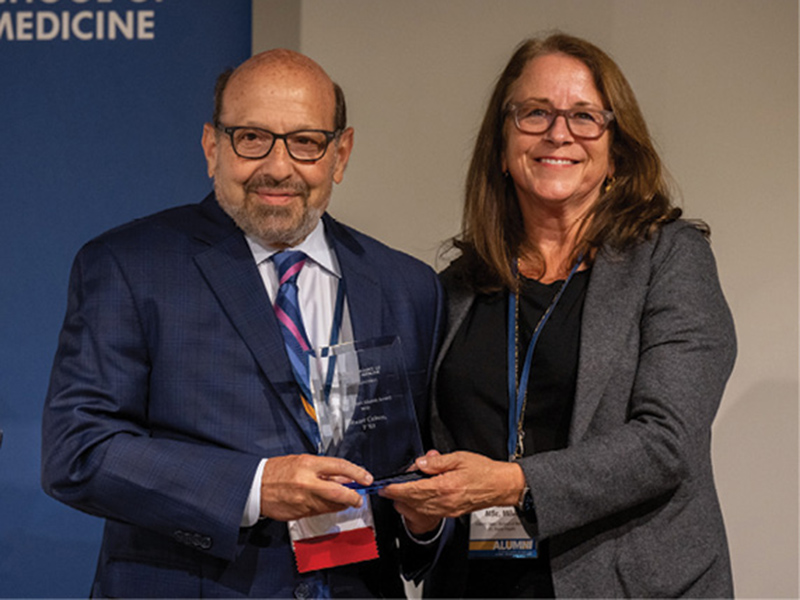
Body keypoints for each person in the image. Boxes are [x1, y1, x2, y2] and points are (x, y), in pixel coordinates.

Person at [41, 49, 445, 598]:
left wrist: (425, 522)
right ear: (213, 147)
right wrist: (254, 487)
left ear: (341, 153)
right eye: (252, 138)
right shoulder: (128, 266)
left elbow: (415, 475)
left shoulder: (408, 286)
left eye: (306, 142)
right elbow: (79, 450)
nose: (278, 167)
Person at [382, 33, 736, 598]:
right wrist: (419, 517)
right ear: (501, 146)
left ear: (616, 148)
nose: (558, 132)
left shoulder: (670, 259)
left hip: (630, 587)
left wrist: (512, 482)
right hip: (474, 585)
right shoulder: (455, 287)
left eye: (584, 116)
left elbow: (667, 442)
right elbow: (426, 451)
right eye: (535, 113)